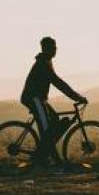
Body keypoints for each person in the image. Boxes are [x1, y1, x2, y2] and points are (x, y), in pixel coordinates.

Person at [20, 36, 87, 165]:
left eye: (55, 47)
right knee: (47, 131)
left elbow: (58, 82)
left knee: (54, 121)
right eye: (53, 47)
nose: (56, 49)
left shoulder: (46, 61)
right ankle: (42, 157)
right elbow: (59, 83)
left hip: (39, 100)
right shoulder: (43, 63)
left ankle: (50, 157)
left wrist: (76, 96)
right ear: (46, 49)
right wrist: (77, 97)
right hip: (34, 99)